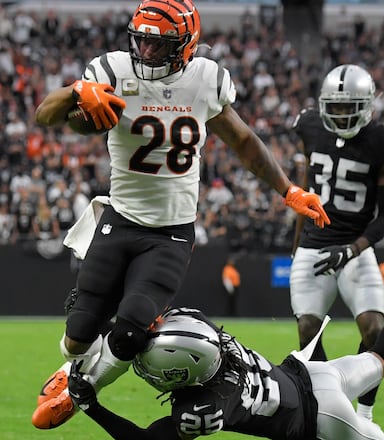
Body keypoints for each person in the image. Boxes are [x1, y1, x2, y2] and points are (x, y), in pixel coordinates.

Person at [30, 0, 330, 429]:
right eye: (142, 42)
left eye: (159, 44)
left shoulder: (205, 80)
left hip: (169, 233)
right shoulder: (114, 71)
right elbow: (47, 116)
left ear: (186, 45)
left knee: (132, 329)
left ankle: (80, 393)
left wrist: (289, 190)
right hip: (119, 221)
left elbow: (244, 142)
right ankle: (73, 370)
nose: (146, 52)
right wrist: (76, 91)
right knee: (77, 338)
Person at [65, 257, 384, 439]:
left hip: (319, 417)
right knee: (379, 356)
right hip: (310, 373)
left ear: (182, 373)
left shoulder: (203, 406)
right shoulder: (197, 329)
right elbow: (152, 324)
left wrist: (93, 406)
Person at [288, 63, 384, 421]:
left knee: (374, 330)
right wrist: (297, 244)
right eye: (335, 107)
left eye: (348, 107)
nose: (340, 115)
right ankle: (328, 405)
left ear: (367, 105)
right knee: (308, 330)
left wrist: (352, 249)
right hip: (314, 244)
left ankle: (366, 412)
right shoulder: (309, 125)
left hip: (355, 246)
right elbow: (302, 188)